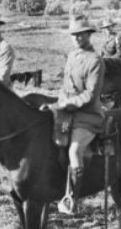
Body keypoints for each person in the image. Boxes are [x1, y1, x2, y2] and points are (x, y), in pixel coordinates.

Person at [42, 15, 105, 215]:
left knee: (75, 150)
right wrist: (56, 104)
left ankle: (72, 198)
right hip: (67, 113)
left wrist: (67, 104)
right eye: (74, 35)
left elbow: (90, 94)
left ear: (88, 34)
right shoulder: (71, 56)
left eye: (81, 34)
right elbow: (65, 87)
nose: (77, 38)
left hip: (87, 115)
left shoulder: (95, 60)